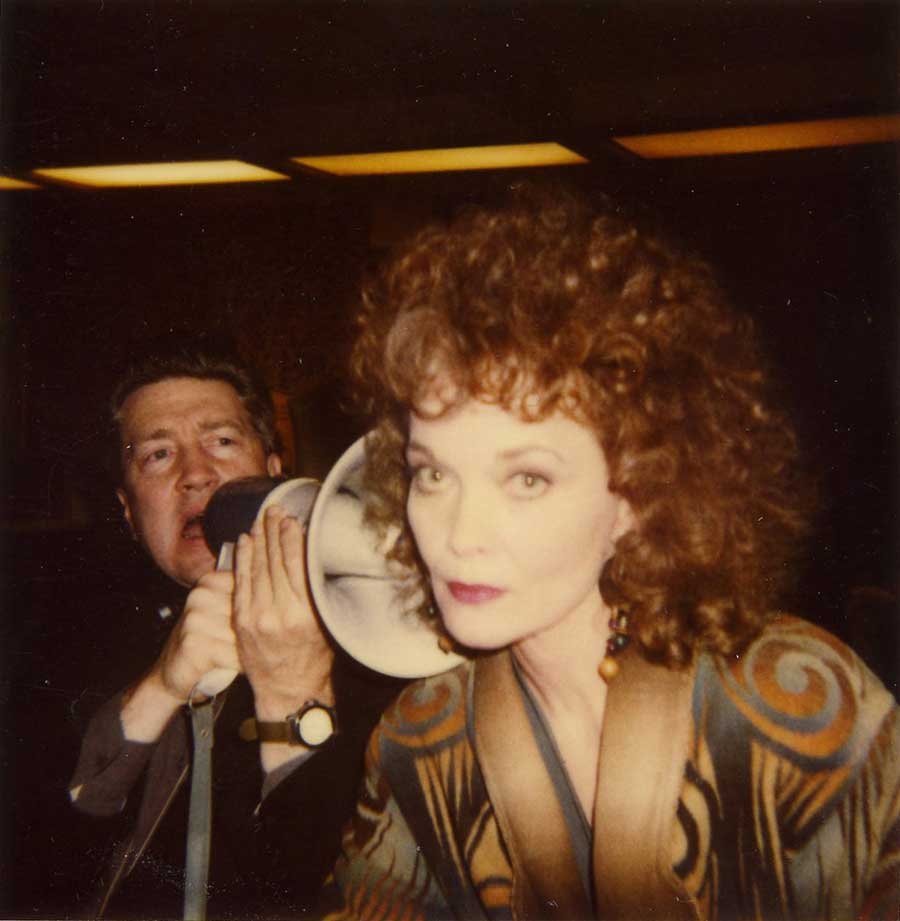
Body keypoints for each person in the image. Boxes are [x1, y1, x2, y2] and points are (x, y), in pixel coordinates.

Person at [319, 188, 900, 919]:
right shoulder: (420, 743)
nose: (459, 534)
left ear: (636, 494)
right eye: (433, 474)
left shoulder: (797, 709)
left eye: (526, 478)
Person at [68, 339, 401, 919]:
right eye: (158, 455)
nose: (196, 475)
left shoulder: (375, 636)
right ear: (127, 509)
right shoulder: (79, 637)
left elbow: (346, 887)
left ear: (274, 471)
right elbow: (50, 856)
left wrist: (295, 696)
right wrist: (161, 688)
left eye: (222, 441)